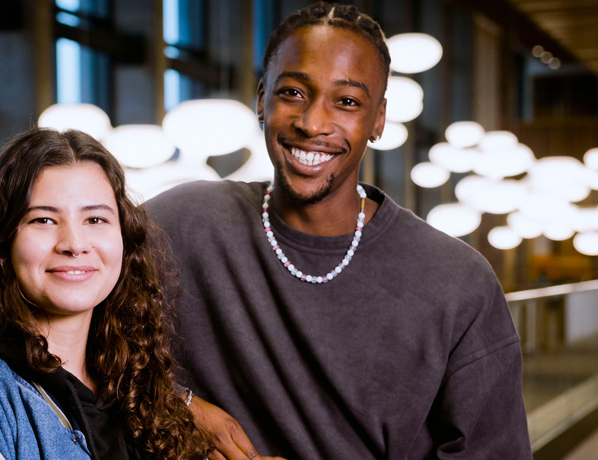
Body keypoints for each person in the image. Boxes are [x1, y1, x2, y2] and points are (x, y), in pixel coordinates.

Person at [146, 2, 531, 459]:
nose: (312, 123)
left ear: (379, 120)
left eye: (347, 101)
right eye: (292, 93)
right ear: (260, 99)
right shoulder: (181, 223)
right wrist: (176, 403)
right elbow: (67, 344)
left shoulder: (458, 282)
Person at [0, 128, 210, 459]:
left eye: (95, 219)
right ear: (0, 241)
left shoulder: (126, 381)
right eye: (44, 220)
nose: (75, 244)